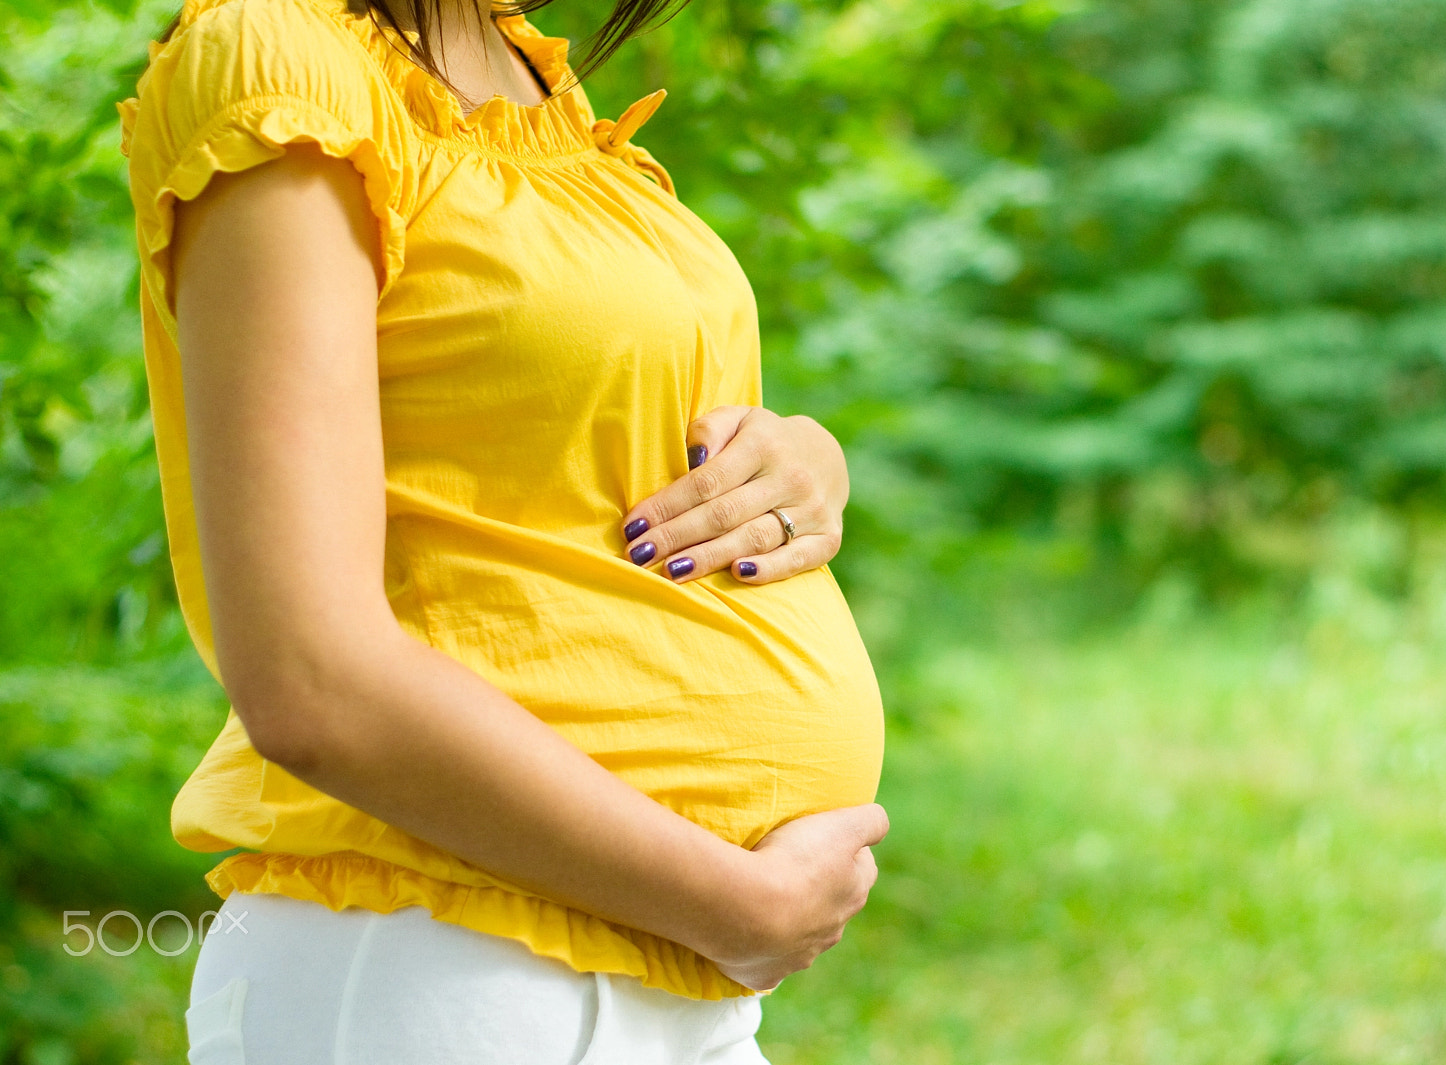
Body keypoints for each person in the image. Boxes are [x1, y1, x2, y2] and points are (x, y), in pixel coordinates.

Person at [115, 0, 889, 1060]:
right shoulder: (275, 59)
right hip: (439, 960)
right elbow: (309, 676)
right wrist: (737, 904)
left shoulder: (522, 72)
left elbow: (552, 439)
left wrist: (802, 464)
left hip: (643, 976)